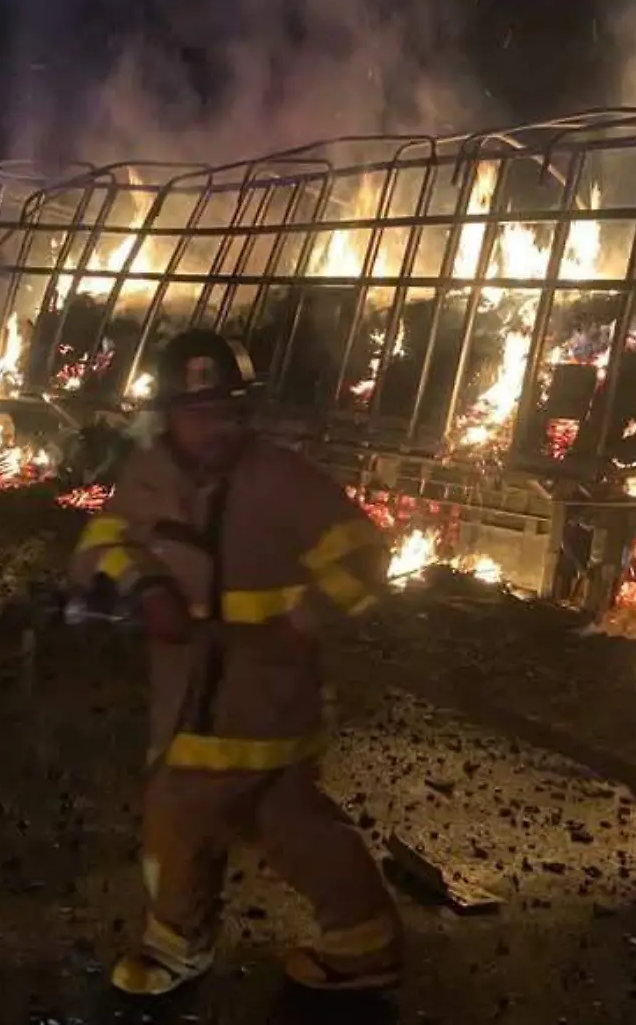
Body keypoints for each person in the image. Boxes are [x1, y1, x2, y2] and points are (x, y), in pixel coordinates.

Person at [67, 329, 402, 996]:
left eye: (225, 412)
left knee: (267, 823)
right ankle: (356, 943)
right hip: (188, 697)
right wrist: (147, 587)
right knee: (211, 818)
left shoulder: (280, 479)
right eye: (197, 414)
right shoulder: (148, 477)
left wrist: (307, 616)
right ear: (168, 416)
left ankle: (192, 945)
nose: (213, 427)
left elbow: (364, 553)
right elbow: (101, 544)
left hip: (266, 701)